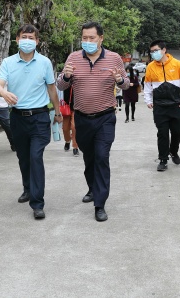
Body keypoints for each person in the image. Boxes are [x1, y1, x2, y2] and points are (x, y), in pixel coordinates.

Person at [56, 21, 129, 222]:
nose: (87, 41)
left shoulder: (114, 58)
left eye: (92, 38)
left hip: (105, 117)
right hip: (82, 118)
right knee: (89, 158)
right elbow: (61, 85)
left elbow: (126, 84)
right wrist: (67, 76)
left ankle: (100, 203)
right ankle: (92, 187)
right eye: (84, 38)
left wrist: (119, 80)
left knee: (101, 157)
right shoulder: (73, 57)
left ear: (101, 38)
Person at [0, 24, 63, 220]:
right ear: (17, 40)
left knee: (35, 157)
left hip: (40, 117)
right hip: (17, 118)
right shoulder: (8, 62)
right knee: (23, 158)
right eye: (24, 37)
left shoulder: (44, 62)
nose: (27, 41)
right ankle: (27, 188)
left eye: (31, 38)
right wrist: (4, 93)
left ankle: (37, 203)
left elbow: (52, 89)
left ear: (37, 41)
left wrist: (57, 112)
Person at [143, 40, 180, 172]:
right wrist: (148, 100)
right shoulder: (150, 66)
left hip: (176, 105)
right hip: (159, 106)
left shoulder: (177, 64)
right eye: (152, 51)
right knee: (162, 133)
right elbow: (147, 86)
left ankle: (174, 151)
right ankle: (163, 160)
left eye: (156, 50)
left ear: (164, 50)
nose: (154, 53)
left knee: (177, 131)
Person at [61, 86, 79, 156]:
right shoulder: (65, 81)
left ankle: (75, 147)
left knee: (74, 127)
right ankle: (68, 140)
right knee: (65, 128)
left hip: (76, 108)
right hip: (66, 107)